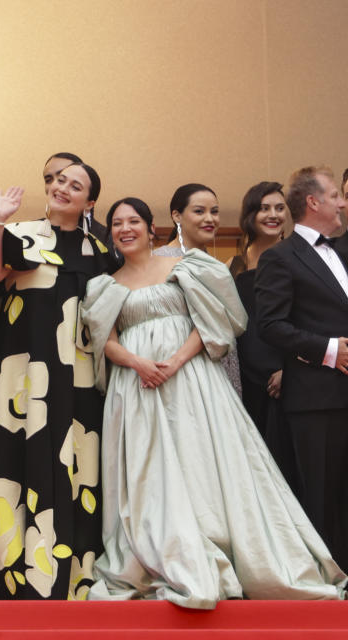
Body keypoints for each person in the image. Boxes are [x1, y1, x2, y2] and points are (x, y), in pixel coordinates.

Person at [81, 197, 345, 608]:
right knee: (150, 471)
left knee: (202, 463)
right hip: (136, 388)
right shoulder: (105, 285)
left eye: (134, 220)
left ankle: (232, 550)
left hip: (192, 383)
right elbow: (105, 341)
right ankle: (163, 555)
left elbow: (214, 321)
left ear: (153, 228)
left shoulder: (187, 267)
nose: (125, 228)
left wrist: (174, 363)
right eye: (116, 223)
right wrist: (138, 363)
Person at [0, 162, 113, 599]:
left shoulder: (101, 249)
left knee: (78, 470)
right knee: (18, 467)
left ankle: (77, 578)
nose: (62, 188)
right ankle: (20, 580)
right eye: (57, 181)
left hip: (80, 376)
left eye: (75, 186)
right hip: (23, 377)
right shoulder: (21, 233)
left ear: (90, 202)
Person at [257, 166, 348, 569]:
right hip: (316, 399)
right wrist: (330, 349)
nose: (343, 202)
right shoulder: (281, 257)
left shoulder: (342, 251)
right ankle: (330, 581)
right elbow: (271, 325)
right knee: (323, 495)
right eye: (335, 195)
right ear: (314, 202)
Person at [227, 183, 299, 490]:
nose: (273, 215)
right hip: (245, 380)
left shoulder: (297, 258)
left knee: (287, 466)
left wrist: (291, 370)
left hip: (285, 377)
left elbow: (307, 322)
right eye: (264, 208)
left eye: (279, 208)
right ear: (250, 214)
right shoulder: (235, 264)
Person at [155, 184, 242, 395]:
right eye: (199, 211)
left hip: (221, 365)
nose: (210, 219)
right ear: (176, 215)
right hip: (180, 367)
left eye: (214, 212)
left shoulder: (217, 265)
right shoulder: (157, 260)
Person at [42, 153, 108, 245]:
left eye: (75, 186)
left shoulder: (106, 241)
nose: (60, 188)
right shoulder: (24, 231)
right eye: (49, 180)